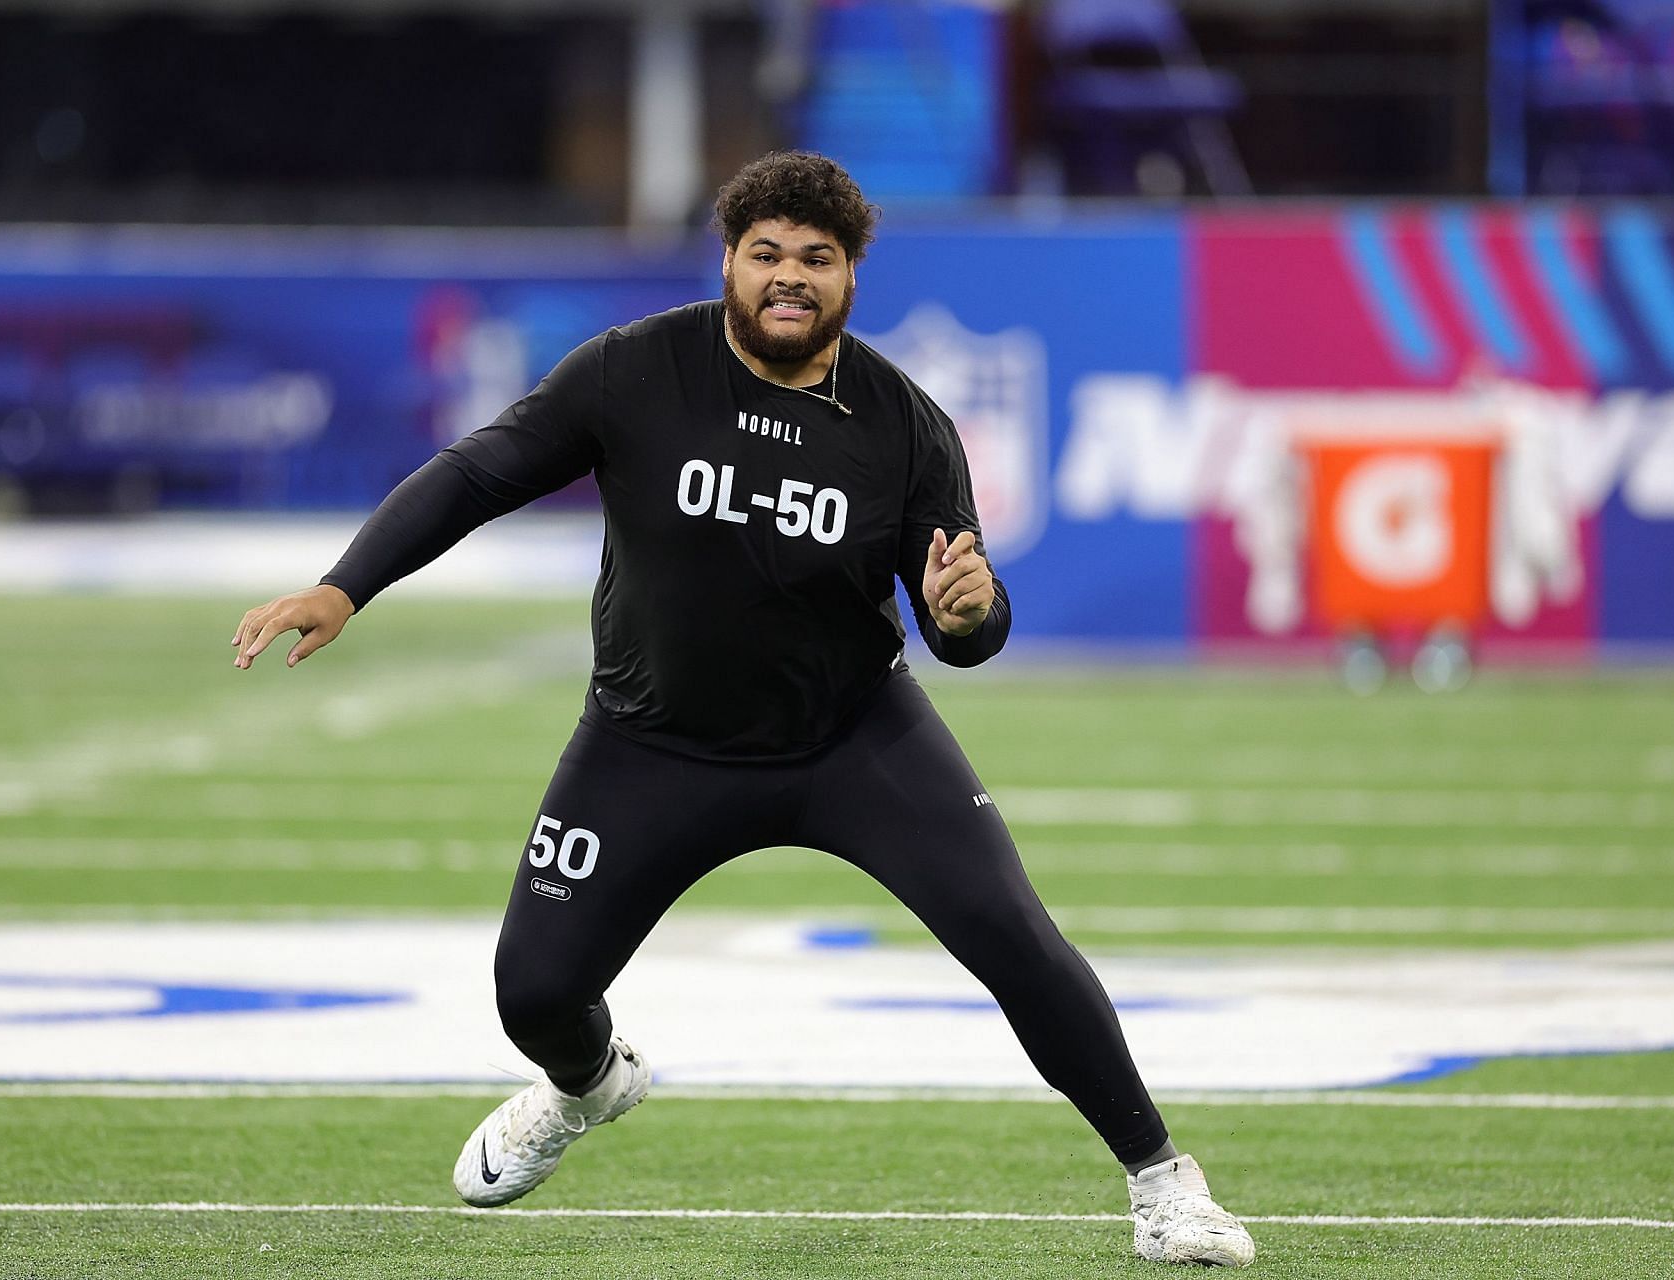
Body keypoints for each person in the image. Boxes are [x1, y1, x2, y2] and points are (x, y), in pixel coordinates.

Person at [231, 151, 1255, 1268]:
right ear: (728, 261)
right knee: (534, 989)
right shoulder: (633, 370)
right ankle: (587, 1084)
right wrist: (345, 583)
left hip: (852, 735)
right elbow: (480, 471)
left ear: (852, 276)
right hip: (649, 738)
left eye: (816, 258)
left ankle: (1166, 1181)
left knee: (1015, 937)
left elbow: (966, 618)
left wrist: (972, 614)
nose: (789, 276)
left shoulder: (905, 424)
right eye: (766, 253)